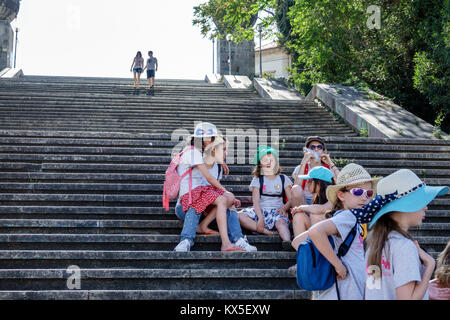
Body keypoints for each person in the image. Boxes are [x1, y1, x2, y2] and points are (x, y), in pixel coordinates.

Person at [292, 163, 380, 300]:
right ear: (341, 195)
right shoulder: (347, 216)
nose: (364, 197)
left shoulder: (343, 217)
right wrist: (338, 265)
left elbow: (297, 242)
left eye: (368, 193)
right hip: (344, 292)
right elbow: (315, 232)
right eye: (357, 192)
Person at [365, 169, 448, 300]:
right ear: (405, 206)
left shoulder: (375, 243)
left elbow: (373, 290)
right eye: (421, 200)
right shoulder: (404, 246)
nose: (426, 207)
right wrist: (429, 267)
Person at [173, 123, 243, 252]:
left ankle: (238, 239)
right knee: (204, 199)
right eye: (211, 138)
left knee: (227, 200)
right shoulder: (192, 153)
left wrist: (220, 160)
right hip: (186, 205)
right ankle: (186, 240)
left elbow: (212, 188)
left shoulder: (213, 163)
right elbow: (209, 179)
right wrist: (225, 192)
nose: (212, 141)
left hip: (205, 208)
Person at [194, 135, 257, 251]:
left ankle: (238, 239)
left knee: (230, 201)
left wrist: (228, 197)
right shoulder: (198, 162)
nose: (226, 153)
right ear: (213, 149)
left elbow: (215, 189)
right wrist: (226, 193)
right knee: (227, 198)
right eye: (223, 149)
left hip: (211, 203)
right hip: (195, 205)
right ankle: (230, 241)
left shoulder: (218, 167)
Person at [238, 145, 293, 250]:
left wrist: (285, 207)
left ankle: (287, 242)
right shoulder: (258, 180)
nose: (268, 162)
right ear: (260, 164)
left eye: (271, 160)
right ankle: (268, 232)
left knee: (281, 223)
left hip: (278, 211)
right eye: (265, 160)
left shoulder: (283, 178)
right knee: (239, 216)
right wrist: (260, 218)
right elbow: (256, 202)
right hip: (261, 210)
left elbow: (291, 199)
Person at [288, 166, 334, 270]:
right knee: (298, 216)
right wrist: (301, 210)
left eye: (309, 181)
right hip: (317, 233)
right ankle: (303, 261)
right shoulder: (316, 197)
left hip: (332, 239)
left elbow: (323, 209)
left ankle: (317, 261)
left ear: (318, 183)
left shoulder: (334, 196)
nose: (307, 183)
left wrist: (302, 207)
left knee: (315, 214)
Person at [291, 136, 340, 207]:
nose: (316, 149)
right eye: (312, 147)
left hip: (323, 201)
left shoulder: (328, 168)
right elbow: (296, 188)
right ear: (306, 151)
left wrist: (331, 163)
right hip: (304, 201)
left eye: (319, 147)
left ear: (323, 151)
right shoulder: (300, 168)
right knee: (296, 188)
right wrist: (303, 163)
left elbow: (341, 183)